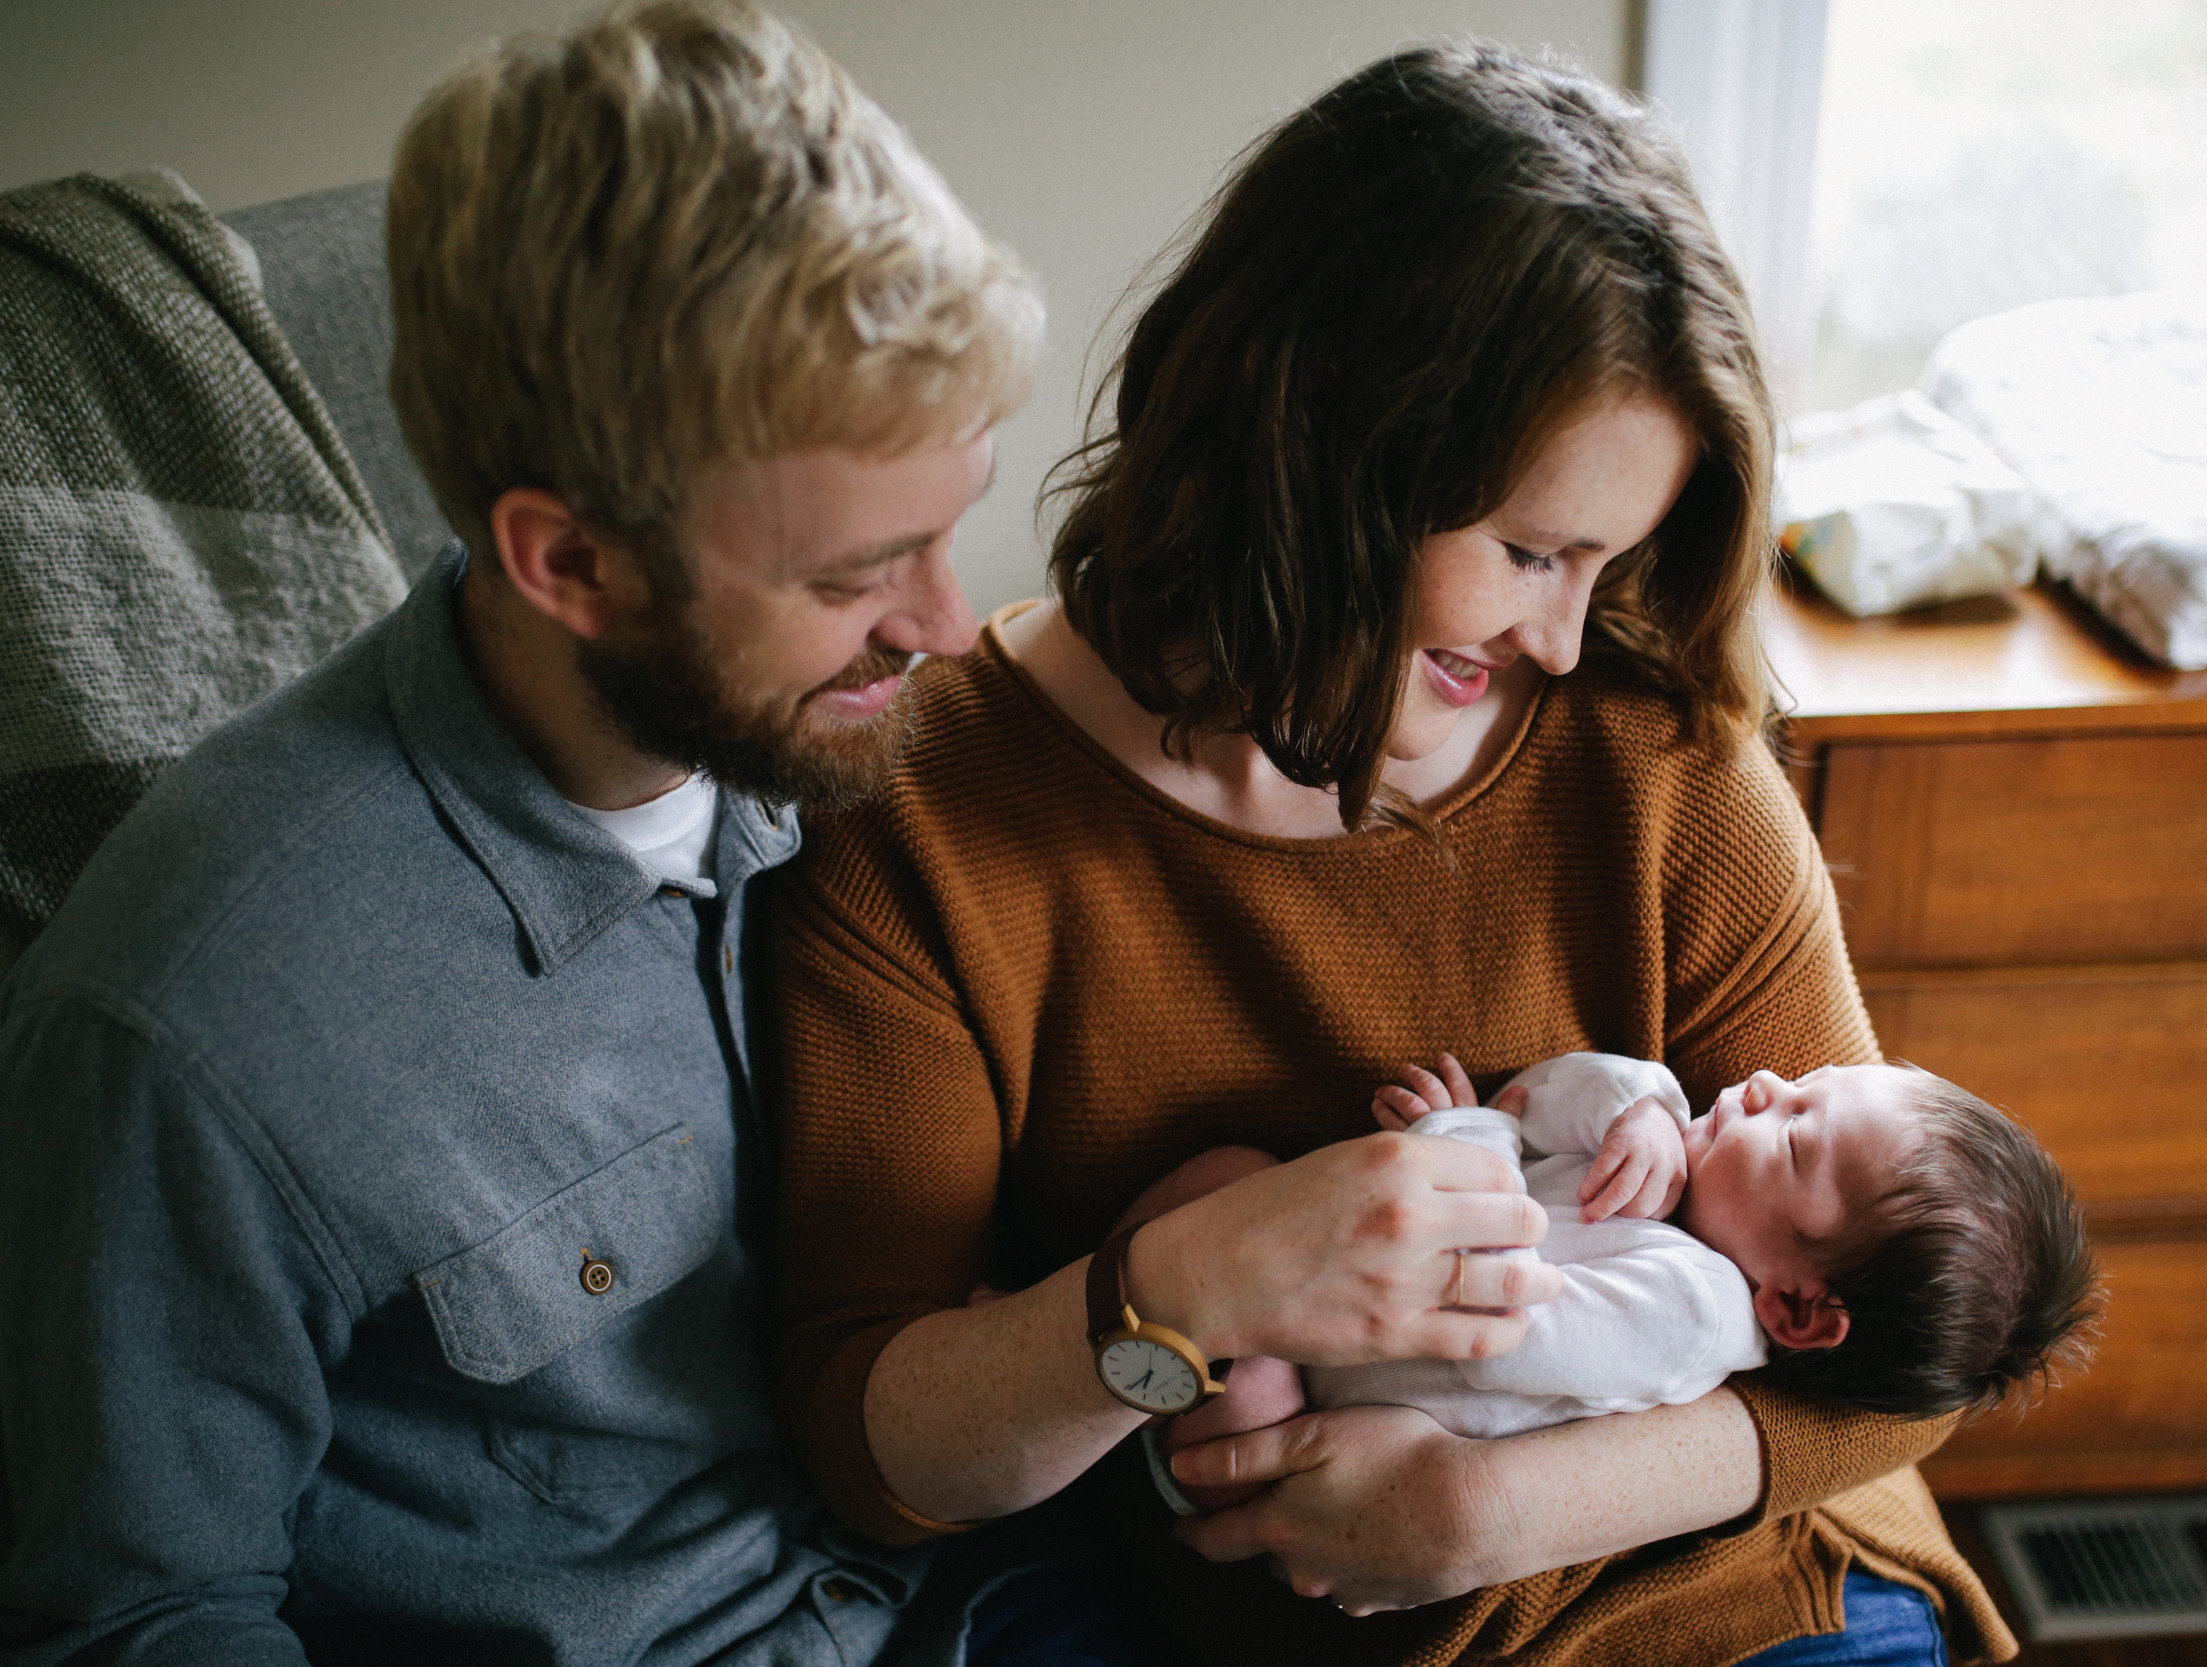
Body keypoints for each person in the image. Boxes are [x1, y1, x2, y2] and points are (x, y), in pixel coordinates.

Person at [768, 43, 2026, 1667]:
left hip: (1728, 1594)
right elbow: (871, 1450)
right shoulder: (925, 820)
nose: (1565, 640)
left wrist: (1486, 1512)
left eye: (1605, 565)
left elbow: (1905, 1365)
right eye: (1527, 552)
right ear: (1312, 457)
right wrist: (1180, 1285)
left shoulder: (1656, 761)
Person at [0, 3, 1039, 1662]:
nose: (950, 629)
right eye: (856, 576)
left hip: (994, 1576)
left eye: (948, 533)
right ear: (567, 563)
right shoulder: (193, 1022)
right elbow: (138, 1619)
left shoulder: (859, 743)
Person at [1264, 1051, 2096, 1453]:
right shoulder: (1682, 1178)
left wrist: (1464, 1137)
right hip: (1327, 1299)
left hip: (1321, 1401)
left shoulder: (1690, 1309)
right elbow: (1536, 1098)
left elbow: (1493, 1327)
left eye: (1797, 1136)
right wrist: (1643, 1105)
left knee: (1243, 1385)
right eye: (1809, 1079)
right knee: (1231, 1182)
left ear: (1797, 1306)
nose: (1767, 1084)